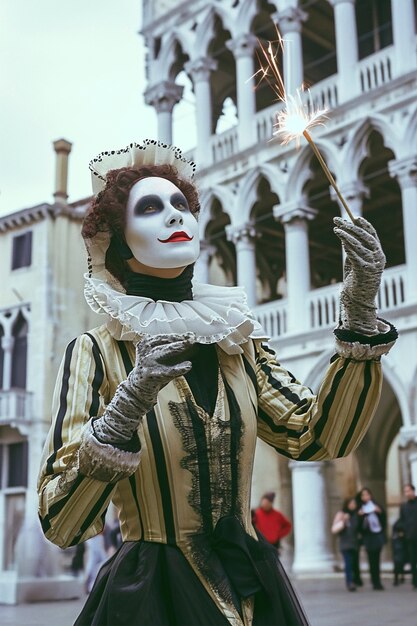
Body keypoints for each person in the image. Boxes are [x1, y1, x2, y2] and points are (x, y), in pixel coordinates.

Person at [37, 139, 397, 626]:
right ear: (118, 239)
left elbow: (316, 435)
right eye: (150, 207)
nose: (173, 216)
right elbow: (62, 521)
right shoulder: (97, 351)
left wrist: (359, 314)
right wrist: (123, 413)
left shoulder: (236, 343)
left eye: (180, 204)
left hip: (253, 584)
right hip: (152, 595)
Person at [357, 487, 386, 590]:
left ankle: (378, 581)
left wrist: (379, 512)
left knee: (377, 559)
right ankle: (374, 581)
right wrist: (361, 515)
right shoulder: (360, 508)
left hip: (377, 535)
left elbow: (383, 520)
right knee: (371, 559)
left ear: (371, 495)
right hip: (368, 537)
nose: (366, 497)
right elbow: (359, 526)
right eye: (363, 495)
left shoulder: (376, 506)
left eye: (367, 494)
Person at [331, 497, 362, 591]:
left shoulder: (357, 515)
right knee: (348, 563)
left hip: (355, 542)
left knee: (354, 563)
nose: (353, 505)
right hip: (345, 543)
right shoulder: (341, 514)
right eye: (351, 503)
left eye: (354, 503)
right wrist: (344, 520)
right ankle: (349, 583)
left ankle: (355, 580)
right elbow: (335, 528)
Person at [399, 483, 417, 589]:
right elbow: (402, 521)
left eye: (408, 491)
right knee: (412, 560)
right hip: (410, 537)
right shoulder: (404, 506)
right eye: (405, 491)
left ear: (413, 491)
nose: (407, 493)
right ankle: (415, 582)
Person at [391, 518, 407, 586]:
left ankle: (398, 578)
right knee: (399, 561)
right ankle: (398, 578)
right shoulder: (400, 522)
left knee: (398, 561)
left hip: (400, 546)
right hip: (400, 546)